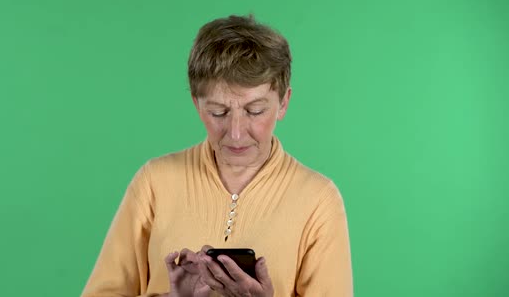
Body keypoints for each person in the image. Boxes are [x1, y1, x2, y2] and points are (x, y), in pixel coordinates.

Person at [81, 15, 353, 296]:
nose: (236, 133)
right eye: (218, 112)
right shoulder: (154, 182)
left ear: (283, 102)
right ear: (197, 105)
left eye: (255, 110)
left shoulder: (318, 200)